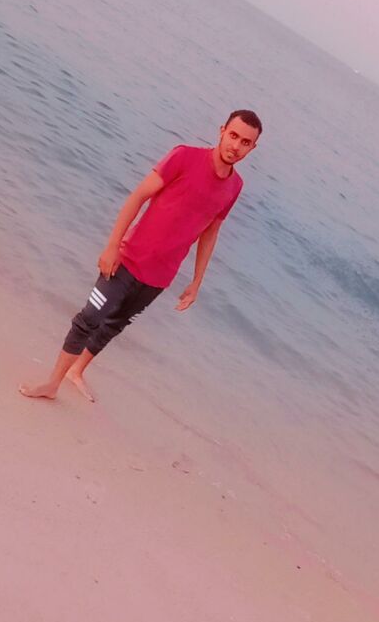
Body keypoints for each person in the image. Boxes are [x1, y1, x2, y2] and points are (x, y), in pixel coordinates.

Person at [19, 109, 262, 402]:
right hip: (127, 259)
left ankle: (77, 371)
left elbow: (211, 232)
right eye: (233, 135)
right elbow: (138, 196)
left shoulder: (235, 187)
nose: (236, 146)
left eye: (245, 142)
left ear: (253, 148)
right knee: (90, 317)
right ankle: (52, 384)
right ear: (222, 131)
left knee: (115, 324)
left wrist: (197, 281)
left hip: (160, 276)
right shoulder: (184, 156)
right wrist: (112, 246)